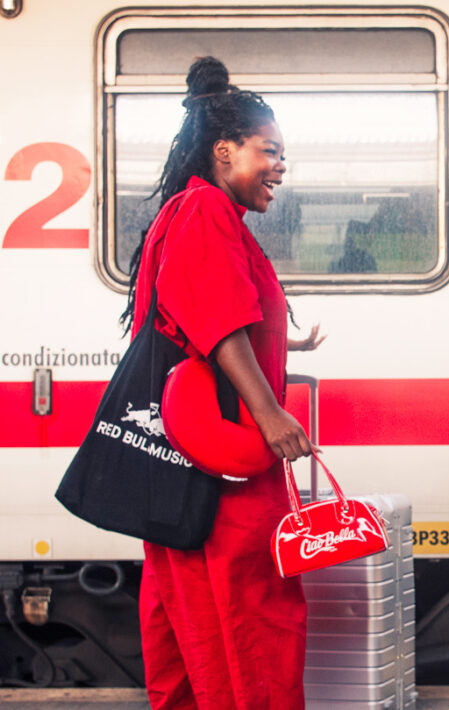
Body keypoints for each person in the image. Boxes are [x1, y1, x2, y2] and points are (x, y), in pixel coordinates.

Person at [120, 56, 312, 709]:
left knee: (188, 617)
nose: (280, 167)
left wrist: (284, 340)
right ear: (224, 151)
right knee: (250, 618)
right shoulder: (206, 210)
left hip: (190, 457)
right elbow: (219, 324)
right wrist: (272, 415)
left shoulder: (195, 209)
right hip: (223, 461)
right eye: (271, 152)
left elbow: (198, 314)